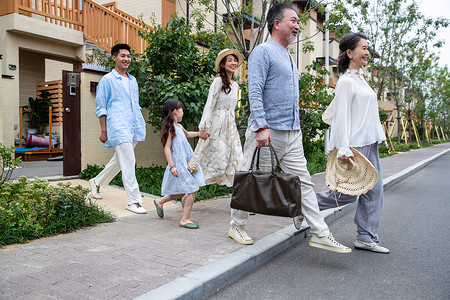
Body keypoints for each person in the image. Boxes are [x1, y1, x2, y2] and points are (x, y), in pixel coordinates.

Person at [228, 2, 351, 253]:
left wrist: (297, 127)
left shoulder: (287, 54)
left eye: (298, 21)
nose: (297, 26)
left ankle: (320, 232)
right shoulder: (263, 52)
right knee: (251, 180)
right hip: (267, 132)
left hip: (292, 133)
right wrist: (261, 126)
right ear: (276, 23)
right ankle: (236, 225)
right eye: (293, 21)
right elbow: (256, 90)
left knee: (303, 183)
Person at [315, 32, 389, 254]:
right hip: (356, 145)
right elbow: (341, 117)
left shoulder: (361, 79)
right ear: (350, 52)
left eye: (368, 48)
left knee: (373, 191)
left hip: (369, 142)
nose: (367, 52)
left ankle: (366, 236)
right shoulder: (346, 81)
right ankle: (305, 206)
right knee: (346, 193)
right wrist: (343, 148)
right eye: (363, 48)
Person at [88, 43, 147, 214]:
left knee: (120, 160)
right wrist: (104, 130)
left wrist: (139, 123)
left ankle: (97, 182)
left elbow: (135, 104)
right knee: (128, 161)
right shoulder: (107, 80)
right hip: (117, 126)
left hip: (134, 125)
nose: (126, 59)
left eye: (128, 56)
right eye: (123, 56)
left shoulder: (133, 80)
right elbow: (100, 107)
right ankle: (134, 200)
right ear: (114, 58)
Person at [194, 49, 244, 187]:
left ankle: (240, 200)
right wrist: (204, 127)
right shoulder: (217, 81)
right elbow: (210, 104)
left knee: (237, 161)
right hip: (216, 126)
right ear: (222, 64)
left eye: (235, 60)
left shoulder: (235, 86)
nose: (233, 63)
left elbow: (233, 111)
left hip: (230, 128)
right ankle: (185, 191)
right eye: (229, 60)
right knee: (209, 160)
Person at [153, 99, 206, 229]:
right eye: (182, 109)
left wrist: (199, 134)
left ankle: (160, 201)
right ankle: (185, 219)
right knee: (191, 189)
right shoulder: (171, 128)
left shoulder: (179, 127)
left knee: (190, 188)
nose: (183, 112)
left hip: (188, 162)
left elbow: (187, 134)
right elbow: (167, 147)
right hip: (179, 163)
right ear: (176, 111)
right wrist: (172, 166)